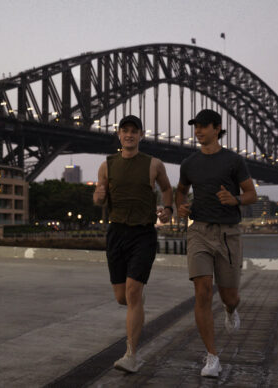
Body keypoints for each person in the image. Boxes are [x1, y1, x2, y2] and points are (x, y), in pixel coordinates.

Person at [175, 109, 257, 377]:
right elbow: (180, 191)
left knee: (229, 296)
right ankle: (212, 357)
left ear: (217, 128)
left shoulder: (233, 161)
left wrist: (235, 199)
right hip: (198, 230)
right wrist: (180, 206)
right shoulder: (189, 163)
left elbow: (251, 194)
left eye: (203, 126)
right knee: (202, 291)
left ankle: (230, 309)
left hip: (228, 233)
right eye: (195, 126)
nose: (198, 131)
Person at [93, 114, 173, 373]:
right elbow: (99, 199)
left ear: (141, 135)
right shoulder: (107, 165)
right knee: (121, 297)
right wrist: (97, 195)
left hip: (143, 234)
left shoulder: (154, 164)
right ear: (118, 134)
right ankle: (136, 301)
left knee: (132, 293)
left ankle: (131, 355)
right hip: (116, 233)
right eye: (124, 130)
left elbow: (167, 189)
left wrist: (168, 209)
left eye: (133, 131)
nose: (129, 135)